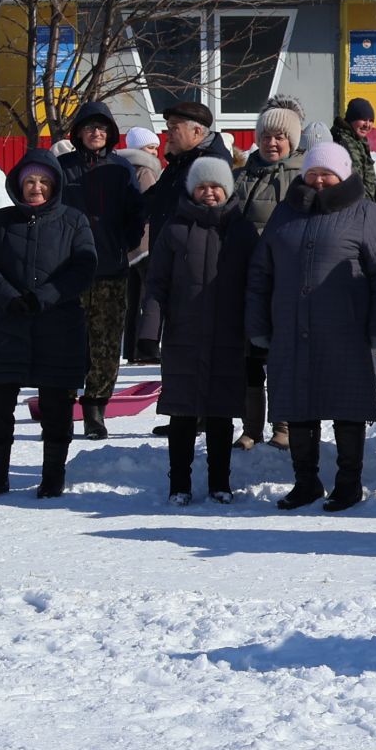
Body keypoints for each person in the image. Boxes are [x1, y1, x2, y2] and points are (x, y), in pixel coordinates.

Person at [247, 143, 376, 512]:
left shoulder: (363, 213)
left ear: (343, 175)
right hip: (290, 327)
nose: (319, 180)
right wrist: (258, 324)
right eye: (313, 172)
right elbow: (260, 272)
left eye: (327, 173)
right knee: (299, 406)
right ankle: (306, 482)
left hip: (345, 330)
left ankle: (348, 483)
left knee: (347, 406)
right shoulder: (286, 213)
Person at [0, 149, 98, 499]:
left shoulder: (74, 221)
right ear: (19, 183)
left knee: (56, 406)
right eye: (29, 181)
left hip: (57, 326)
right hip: (6, 324)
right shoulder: (1, 220)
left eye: (43, 181)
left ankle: (52, 476)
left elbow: (83, 269)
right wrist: (8, 297)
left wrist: (42, 297)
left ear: (55, 184)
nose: (36, 188)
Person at [138, 155, 255, 504]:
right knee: (183, 414)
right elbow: (156, 284)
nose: (209, 193)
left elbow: (256, 284)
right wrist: (148, 332)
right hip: (183, 338)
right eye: (202, 186)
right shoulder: (175, 230)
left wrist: (257, 332)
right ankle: (180, 484)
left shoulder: (242, 231)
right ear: (192, 190)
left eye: (216, 187)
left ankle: (220, 482)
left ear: (227, 190)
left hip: (228, 338)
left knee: (221, 415)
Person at [56, 102, 145, 438]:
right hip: (69, 270)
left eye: (103, 128)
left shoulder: (121, 169)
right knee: (67, 343)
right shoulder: (62, 167)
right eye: (90, 127)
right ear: (78, 132)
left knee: (106, 343)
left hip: (111, 268)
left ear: (110, 134)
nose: (96, 133)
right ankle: (62, 409)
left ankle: (96, 410)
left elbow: (136, 214)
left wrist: (124, 241)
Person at [233, 95, 307, 450]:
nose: (272, 143)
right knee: (250, 356)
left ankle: (284, 425)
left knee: (280, 354)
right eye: (266, 136)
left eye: (280, 137)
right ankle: (251, 427)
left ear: (291, 140)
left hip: (285, 281)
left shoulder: (304, 177)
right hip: (247, 279)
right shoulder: (241, 176)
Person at [144, 101, 234, 250]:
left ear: (197, 131)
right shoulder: (180, 162)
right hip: (166, 257)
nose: (168, 134)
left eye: (174, 128)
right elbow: (153, 198)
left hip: (190, 260)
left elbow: (208, 219)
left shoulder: (211, 165)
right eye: (168, 128)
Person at [117, 127, 163, 366]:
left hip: (128, 246)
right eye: (149, 147)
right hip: (145, 242)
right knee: (149, 297)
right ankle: (147, 348)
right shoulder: (145, 170)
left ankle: (132, 349)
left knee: (132, 299)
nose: (154, 152)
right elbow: (149, 203)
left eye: (155, 147)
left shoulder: (120, 169)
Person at [332, 97, 376, 203]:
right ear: (352, 119)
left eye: (371, 120)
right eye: (363, 119)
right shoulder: (341, 141)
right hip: (353, 209)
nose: (367, 125)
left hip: (365, 207)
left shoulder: (359, 141)